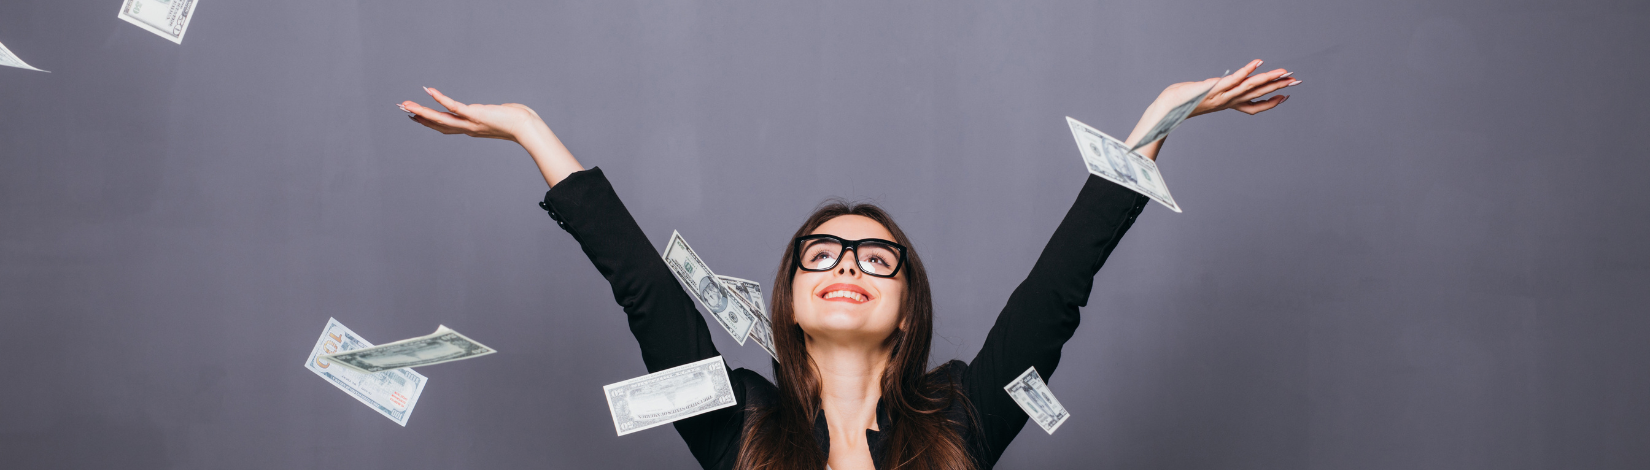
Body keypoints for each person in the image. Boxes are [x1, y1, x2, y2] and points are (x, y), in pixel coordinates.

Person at [400, 59, 1299, 470]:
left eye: (879, 257)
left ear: (907, 305)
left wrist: (1160, 118)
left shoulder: (966, 419)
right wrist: (529, 129)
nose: (849, 264)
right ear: (787, 297)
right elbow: (643, 289)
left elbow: (1060, 287)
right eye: (822, 252)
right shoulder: (738, 427)